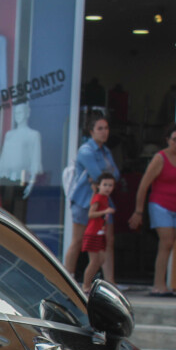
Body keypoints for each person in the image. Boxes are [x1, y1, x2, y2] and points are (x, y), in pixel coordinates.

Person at [129, 123, 176, 295]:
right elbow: (144, 185)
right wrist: (138, 211)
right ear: (167, 140)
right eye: (175, 140)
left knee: (169, 245)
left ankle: (162, 283)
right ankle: (158, 285)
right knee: (166, 242)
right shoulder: (160, 158)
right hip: (160, 205)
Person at [65, 112, 120, 284]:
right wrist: (104, 178)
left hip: (103, 200)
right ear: (91, 131)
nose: (104, 132)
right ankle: (67, 279)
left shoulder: (106, 150)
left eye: (106, 128)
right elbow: (99, 176)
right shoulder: (86, 151)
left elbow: (115, 175)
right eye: (100, 128)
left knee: (107, 241)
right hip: (84, 202)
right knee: (78, 240)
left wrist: (104, 178)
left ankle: (110, 282)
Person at [82, 173, 117, 292]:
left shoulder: (103, 198)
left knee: (101, 259)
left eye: (110, 185)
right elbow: (91, 214)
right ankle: (86, 285)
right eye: (105, 185)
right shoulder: (98, 198)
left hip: (100, 232)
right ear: (99, 186)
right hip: (93, 233)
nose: (108, 188)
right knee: (94, 261)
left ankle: (90, 282)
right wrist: (105, 211)